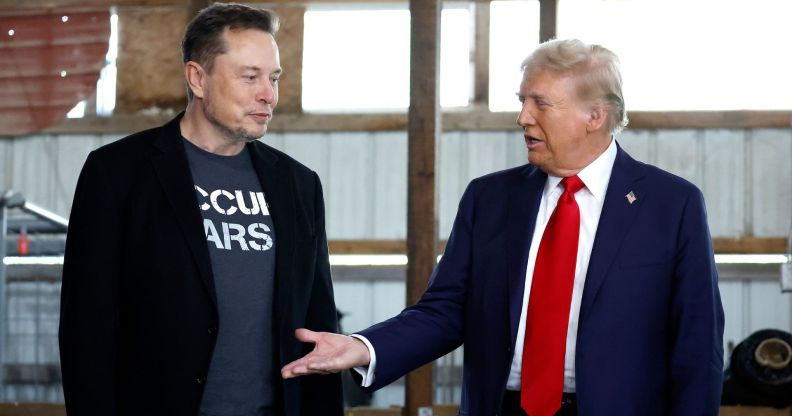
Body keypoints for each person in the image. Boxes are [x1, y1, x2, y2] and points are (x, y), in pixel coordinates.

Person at [281, 39, 725, 416]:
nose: (523, 117)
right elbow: (445, 309)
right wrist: (363, 348)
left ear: (595, 115)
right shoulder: (490, 199)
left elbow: (696, 343)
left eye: (541, 103)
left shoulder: (672, 204)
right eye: (522, 100)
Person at [58, 4, 342, 416]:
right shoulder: (117, 174)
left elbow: (318, 324)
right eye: (250, 77)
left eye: (274, 78)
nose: (269, 94)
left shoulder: (297, 184)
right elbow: (86, 330)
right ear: (198, 78)